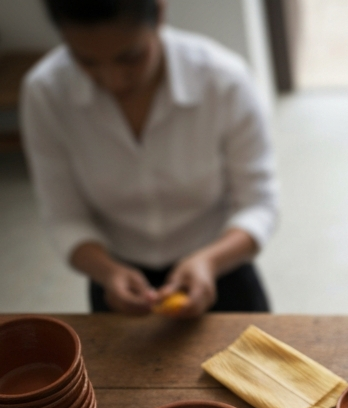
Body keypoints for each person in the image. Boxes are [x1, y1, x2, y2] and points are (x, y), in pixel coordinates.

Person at [21, 0, 278, 317]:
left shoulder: (224, 80)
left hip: (221, 266)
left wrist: (209, 261)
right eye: (85, 61)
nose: (113, 80)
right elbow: (64, 218)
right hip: (114, 275)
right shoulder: (45, 93)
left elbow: (259, 204)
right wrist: (107, 273)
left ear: (159, 13)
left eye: (129, 57)